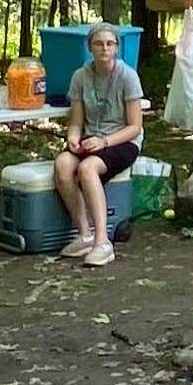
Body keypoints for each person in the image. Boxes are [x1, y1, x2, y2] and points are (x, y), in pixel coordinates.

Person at [50, 23, 144, 266]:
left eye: (110, 43)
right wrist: (73, 137)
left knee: (87, 168)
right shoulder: (80, 77)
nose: (104, 48)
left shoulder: (127, 76)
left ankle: (103, 242)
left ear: (117, 48)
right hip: (91, 138)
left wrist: (104, 142)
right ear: (89, 47)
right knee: (63, 164)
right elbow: (76, 122)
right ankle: (84, 234)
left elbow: (135, 127)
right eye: (99, 43)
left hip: (122, 140)